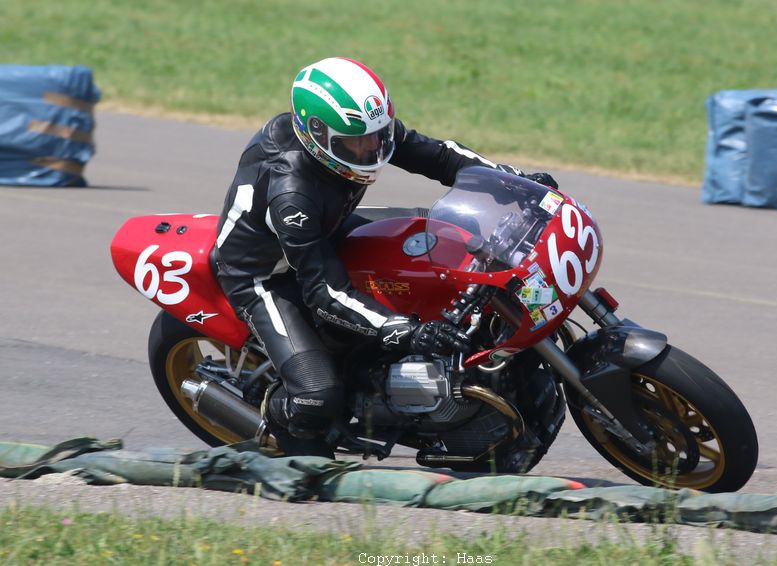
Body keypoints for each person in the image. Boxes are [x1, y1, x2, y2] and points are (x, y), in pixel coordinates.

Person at [212, 56, 558, 457]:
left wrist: (510, 181)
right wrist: (405, 329)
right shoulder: (292, 194)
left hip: (325, 231)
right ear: (316, 135)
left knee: (436, 238)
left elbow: (439, 157)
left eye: (377, 136)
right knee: (319, 396)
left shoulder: (359, 134)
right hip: (265, 274)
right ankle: (280, 420)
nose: (370, 148)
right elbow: (324, 290)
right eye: (356, 142)